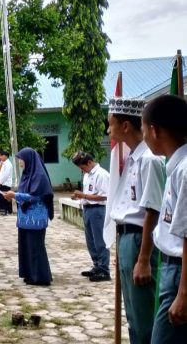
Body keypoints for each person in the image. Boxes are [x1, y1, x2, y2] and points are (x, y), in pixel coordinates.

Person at [106, 97, 165, 343]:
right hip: (127, 237)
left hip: (140, 239)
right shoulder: (133, 158)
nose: (109, 130)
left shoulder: (149, 160)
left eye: (111, 124)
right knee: (132, 314)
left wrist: (143, 259)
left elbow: (152, 210)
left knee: (142, 317)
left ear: (126, 126)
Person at [142, 95, 187, 342]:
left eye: (143, 128)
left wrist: (183, 294)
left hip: (180, 273)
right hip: (171, 269)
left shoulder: (184, 170)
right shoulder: (175, 166)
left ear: (154, 130)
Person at [3, 147, 53, 286]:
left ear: (29, 160)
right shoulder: (27, 175)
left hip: (36, 219)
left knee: (36, 247)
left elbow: (36, 196)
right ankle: (30, 274)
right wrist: (12, 197)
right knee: (27, 247)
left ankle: (41, 277)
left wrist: (15, 195)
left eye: (21, 160)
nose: (20, 163)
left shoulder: (40, 176)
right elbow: (23, 194)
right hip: (25, 218)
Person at [71, 151, 111, 282]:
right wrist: (80, 196)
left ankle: (104, 270)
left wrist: (84, 196)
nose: (82, 170)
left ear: (89, 162)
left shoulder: (102, 174)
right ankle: (97, 265)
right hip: (87, 209)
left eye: (83, 167)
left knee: (100, 241)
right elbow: (88, 192)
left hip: (98, 210)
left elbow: (105, 195)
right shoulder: (87, 175)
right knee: (91, 241)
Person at [0, 151, 14, 216]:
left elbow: (6, 175)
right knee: (1, 197)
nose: (0, 157)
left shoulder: (8, 164)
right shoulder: (2, 163)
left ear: (5, 156)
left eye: (1, 156)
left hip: (5, 184)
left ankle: (7, 210)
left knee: (6, 197)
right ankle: (2, 209)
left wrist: (0, 182)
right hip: (0, 182)